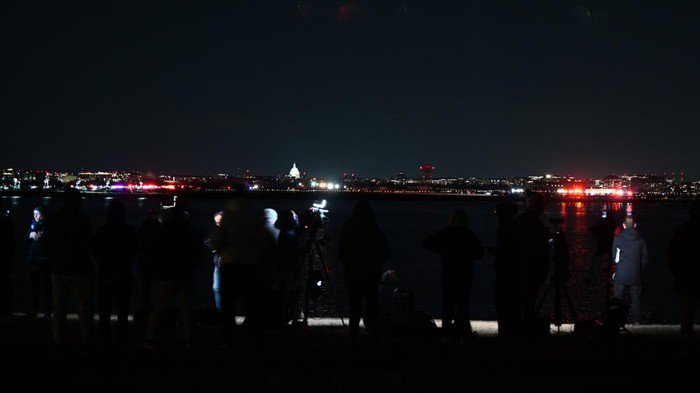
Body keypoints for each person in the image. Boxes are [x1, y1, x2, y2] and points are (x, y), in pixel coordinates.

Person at [211, 198, 276, 347]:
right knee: (252, 303)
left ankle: (227, 338)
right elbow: (266, 240)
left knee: (228, 305)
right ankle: (255, 336)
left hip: (229, 265)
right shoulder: (256, 218)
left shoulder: (227, 219)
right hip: (250, 265)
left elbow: (216, 241)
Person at [144, 204, 201, 348]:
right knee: (186, 307)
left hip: (165, 273)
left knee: (158, 306)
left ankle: (150, 336)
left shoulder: (163, 230)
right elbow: (196, 251)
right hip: (184, 273)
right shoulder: (190, 231)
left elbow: (155, 250)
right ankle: (187, 337)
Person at [424, 209, 485, 342]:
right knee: (463, 305)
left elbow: (427, 243)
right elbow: (480, 252)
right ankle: (463, 333)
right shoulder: (469, 235)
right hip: (465, 274)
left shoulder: (445, 233)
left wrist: (442, 251)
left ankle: (446, 334)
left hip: (448, 273)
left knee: (448, 305)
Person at [44, 189, 94, 351]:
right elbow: (89, 242)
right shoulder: (82, 219)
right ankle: (86, 341)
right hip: (80, 267)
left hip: (58, 268)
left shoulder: (54, 219)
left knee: (59, 308)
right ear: (77, 202)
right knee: (84, 307)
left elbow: (46, 244)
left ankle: (59, 341)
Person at [339, 201, 390, 343]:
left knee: (354, 305)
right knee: (372, 303)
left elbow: (342, 251)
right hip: (371, 273)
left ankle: (353, 333)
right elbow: (386, 252)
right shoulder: (374, 229)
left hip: (353, 272)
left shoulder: (348, 227)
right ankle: (374, 334)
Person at [93, 201, 138, 347]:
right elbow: (133, 253)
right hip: (123, 275)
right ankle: (120, 340)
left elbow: (96, 253)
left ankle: (104, 339)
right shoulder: (129, 231)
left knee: (104, 311)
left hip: (104, 275)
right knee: (123, 311)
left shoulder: (101, 231)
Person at [515, 192, 550, 333]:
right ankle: (527, 328)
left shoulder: (520, 219)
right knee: (530, 299)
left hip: (520, 267)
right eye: (542, 205)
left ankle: (519, 327)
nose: (543, 208)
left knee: (521, 300)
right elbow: (539, 248)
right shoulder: (535, 223)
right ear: (537, 206)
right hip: (532, 268)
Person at [667, 200, 700, 343]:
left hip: (684, 279)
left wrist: (677, 273)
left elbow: (671, 255)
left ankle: (686, 346)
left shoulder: (681, 231)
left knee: (686, 316)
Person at [490, 201, 521, 338]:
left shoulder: (506, 228)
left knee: (503, 304)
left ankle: (505, 333)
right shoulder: (514, 227)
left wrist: (497, 252)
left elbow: (508, 251)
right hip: (512, 272)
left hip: (505, 272)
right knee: (512, 305)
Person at [612, 216, 649, 324]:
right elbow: (645, 259)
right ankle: (636, 321)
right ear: (635, 225)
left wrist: (617, 271)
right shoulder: (641, 240)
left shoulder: (618, 239)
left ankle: (615, 322)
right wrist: (639, 270)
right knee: (636, 299)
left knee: (617, 300)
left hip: (621, 275)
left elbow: (615, 258)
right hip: (636, 275)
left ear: (623, 225)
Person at [273, 209, 302, 325]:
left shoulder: (287, 232)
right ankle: (283, 317)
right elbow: (290, 253)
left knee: (283, 293)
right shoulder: (287, 234)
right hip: (286, 269)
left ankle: (283, 316)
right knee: (285, 293)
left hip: (285, 268)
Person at [27, 205, 51, 318]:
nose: (35, 216)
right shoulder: (33, 224)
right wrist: (29, 236)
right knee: (33, 286)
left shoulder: (48, 226)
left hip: (45, 260)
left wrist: (40, 239)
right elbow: (26, 239)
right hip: (34, 258)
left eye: (37, 213)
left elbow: (50, 243)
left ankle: (48, 312)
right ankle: (33, 311)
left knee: (47, 287)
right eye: (34, 214)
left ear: (43, 214)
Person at [137, 210, 162, 313]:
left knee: (145, 288)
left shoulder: (142, 229)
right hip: (157, 263)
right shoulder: (161, 230)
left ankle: (146, 310)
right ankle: (156, 312)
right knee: (157, 289)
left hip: (144, 261)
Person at [205, 211, 224, 310]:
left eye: (219, 222)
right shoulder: (216, 232)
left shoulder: (231, 232)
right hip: (218, 261)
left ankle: (224, 313)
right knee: (216, 288)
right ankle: (219, 312)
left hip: (226, 262)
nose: (218, 225)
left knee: (222, 288)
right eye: (216, 223)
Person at [0, 199, 14, 316]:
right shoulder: (6, 222)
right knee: (5, 285)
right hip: (5, 259)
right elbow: (11, 243)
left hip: (4, 258)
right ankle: (6, 310)